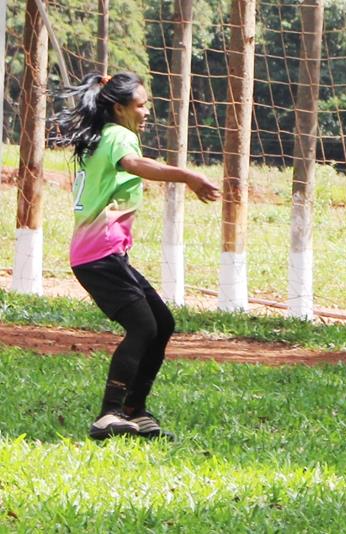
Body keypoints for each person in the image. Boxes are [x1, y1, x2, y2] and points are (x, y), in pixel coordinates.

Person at [50, 72, 220, 439]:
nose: (146, 112)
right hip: (99, 255)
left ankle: (134, 410)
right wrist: (187, 176)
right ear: (119, 108)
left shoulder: (103, 137)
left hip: (104, 255)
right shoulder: (118, 136)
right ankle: (109, 414)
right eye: (140, 105)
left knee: (162, 323)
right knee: (144, 326)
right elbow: (136, 165)